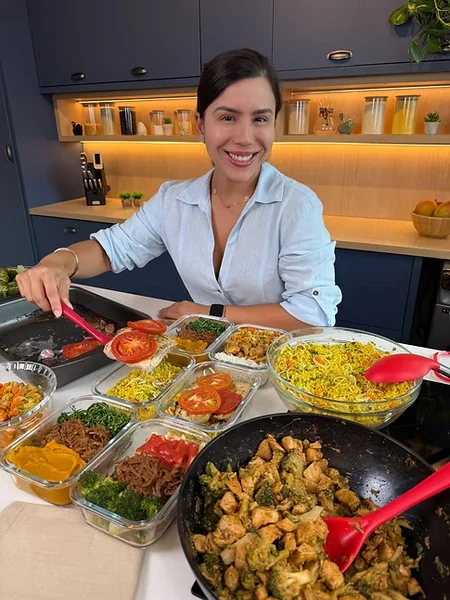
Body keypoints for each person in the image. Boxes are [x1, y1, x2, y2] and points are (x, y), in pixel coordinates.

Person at [17, 49, 341, 329]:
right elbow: (110, 250)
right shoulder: (174, 200)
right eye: (227, 118)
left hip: (279, 362)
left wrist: (209, 313)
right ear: (201, 126)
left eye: (260, 119)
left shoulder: (296, 206)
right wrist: (58, 263)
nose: (245, 138)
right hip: (205, 355)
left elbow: (314, 312)